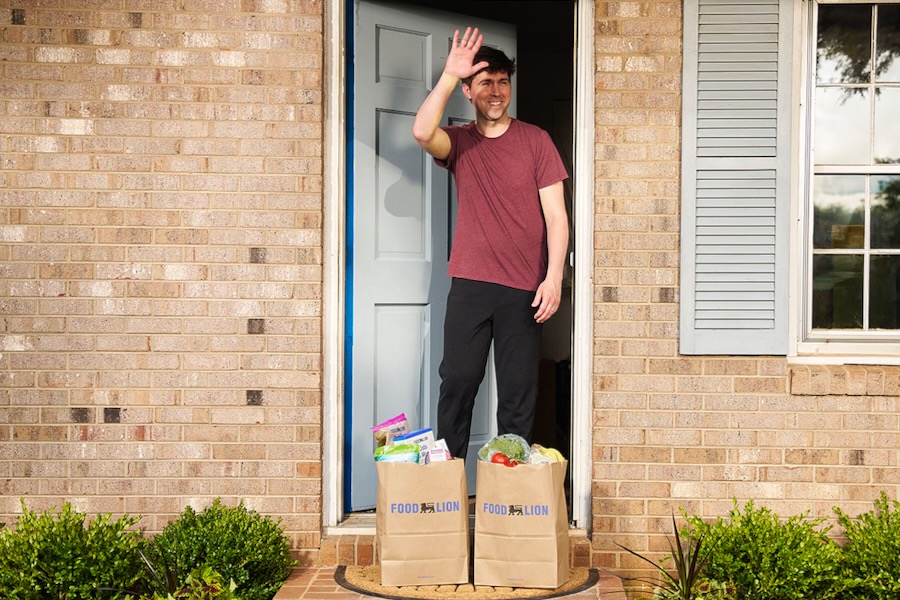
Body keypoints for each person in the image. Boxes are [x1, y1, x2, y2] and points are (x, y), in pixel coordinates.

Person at [412, 27, 569, 460]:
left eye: (503, 81)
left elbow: (557, 217)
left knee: (519, 394)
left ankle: (507, 496)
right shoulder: (460, 142)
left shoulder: (536, 141)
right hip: (471, 283)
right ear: (469, 90)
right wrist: (448, 74)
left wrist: (553, 278)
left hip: (524, 287)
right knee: (458, 383)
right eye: (486, 82)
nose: (497, 92)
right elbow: (423, 132)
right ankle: (448, 489)